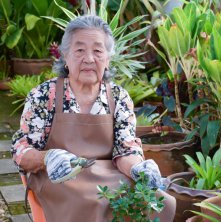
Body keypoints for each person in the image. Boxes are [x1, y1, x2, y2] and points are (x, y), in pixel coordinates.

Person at [10, 15, 176, 222]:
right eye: (79, 50)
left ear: (107, 59)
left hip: (107, 176)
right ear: (66, 57)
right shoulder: (45, 95)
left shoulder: (118, 97)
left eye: (97, 51)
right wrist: (47, 158)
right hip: (60, 179)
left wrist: (137, 168)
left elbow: (126, 150)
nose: (89, 58)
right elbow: (21, 150)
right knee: (93, 200)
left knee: (158, 199)